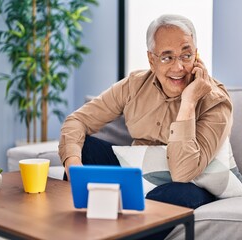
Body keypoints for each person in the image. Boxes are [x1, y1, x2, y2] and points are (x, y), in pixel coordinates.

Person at [59, 14, 233, 239]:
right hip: (139, 173)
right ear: (151, 60)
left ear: (197, 56)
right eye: (167, 57)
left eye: (186, 55)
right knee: (84, 149)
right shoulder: (134, 85)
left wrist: (189, 102)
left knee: (175, 195)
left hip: (189, 182)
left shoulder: (215, 100)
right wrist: (74, 166)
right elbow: (77, 120)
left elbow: (183, 172)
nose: (178, 67)